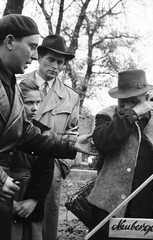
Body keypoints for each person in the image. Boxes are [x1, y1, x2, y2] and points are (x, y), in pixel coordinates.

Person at [0, 14, 95, 240]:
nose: (34, 55)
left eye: (61, 62)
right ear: (10, 42)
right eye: (33, 47)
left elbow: (27, 133)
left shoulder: (10, 80)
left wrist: (69, 152)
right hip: (11, 174)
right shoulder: (18, 81)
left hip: (41, 173)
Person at [88, 69, 153, 240]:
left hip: (148, 209)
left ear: (147, 99)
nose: (127, 106)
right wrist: (133, 114)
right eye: (124, 101)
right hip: (108, 208)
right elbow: (102, 142)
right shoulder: (106, 116)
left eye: (134, 101)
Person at [18, 34, 80, 240]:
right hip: (17, 163)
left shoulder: (71, 97)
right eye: (51, 60)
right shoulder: (16, 83)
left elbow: (73, 132)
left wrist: (60, 167)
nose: (55, 66)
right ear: (39, 56)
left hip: (49, 170)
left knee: (43, 228)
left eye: (60, 62)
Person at [10, 79, 54, 240]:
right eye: (29, 102)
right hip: (6, 199)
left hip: (30, 203)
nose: (35, 108)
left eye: (38, 102)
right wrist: (8, 204)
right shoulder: (5, 132)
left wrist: (34, 200)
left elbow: (46, 172)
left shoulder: (42, 133)